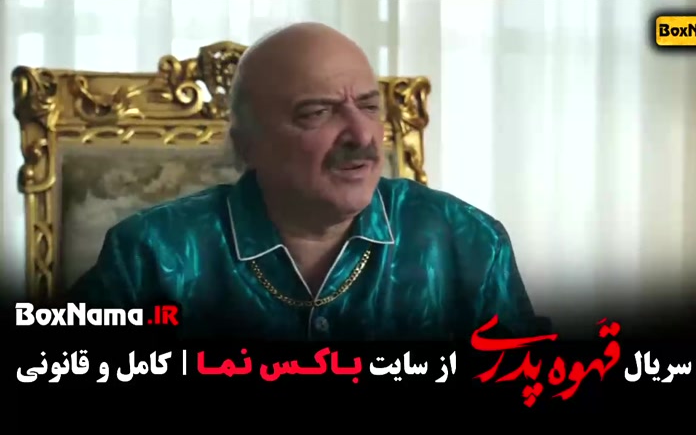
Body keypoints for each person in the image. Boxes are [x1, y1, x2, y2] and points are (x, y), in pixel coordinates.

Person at [67, 22, 538, 341]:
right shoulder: (149, 257)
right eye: (317, 112)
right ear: (248, 144)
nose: (362, 136)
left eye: (369, 106)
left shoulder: (469, 244)